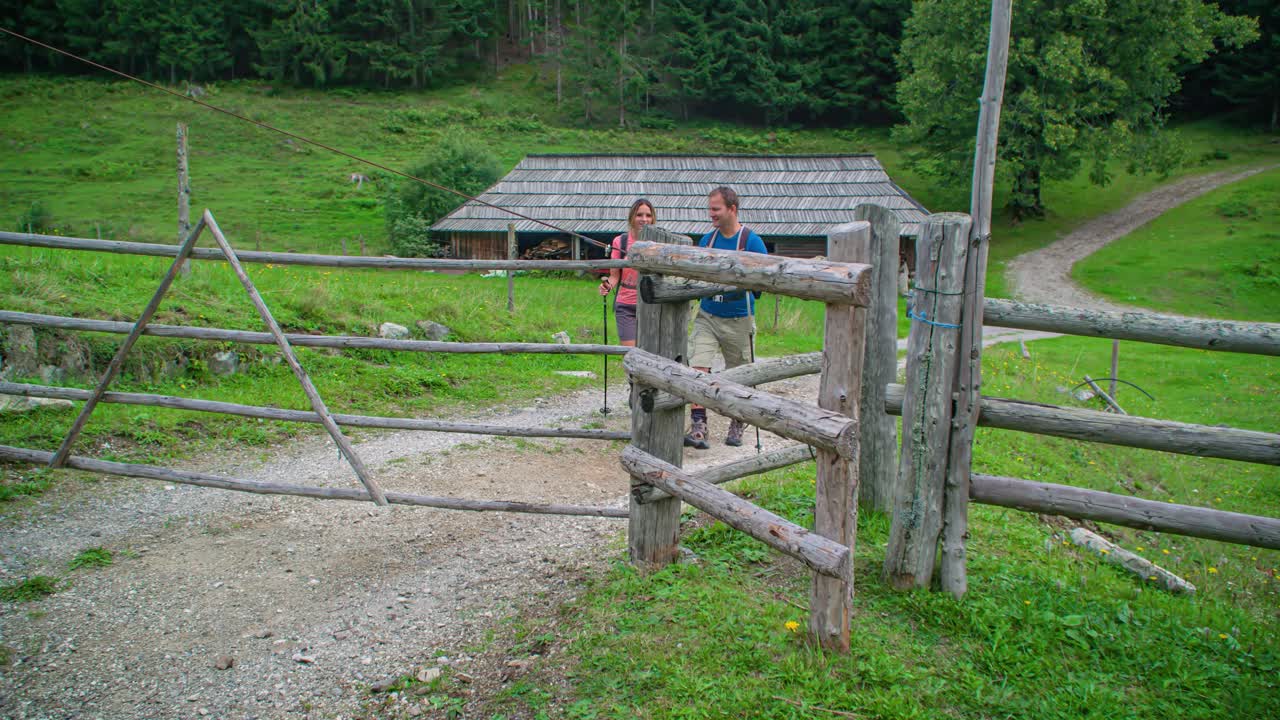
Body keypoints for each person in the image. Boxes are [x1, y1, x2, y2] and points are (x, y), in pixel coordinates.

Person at [685, 186, 768, 449]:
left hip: (738, 318)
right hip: (708, 314)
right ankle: (698, 426)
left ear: (732, 209)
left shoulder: (751, 241)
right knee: (698, 366)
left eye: (716, 209)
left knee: (740, 374)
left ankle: (737, 421)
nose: (711, 214)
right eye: (710, 209)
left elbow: (763, 281)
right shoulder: (707, 241)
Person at [598, 199, 655, 347]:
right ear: (632, 217)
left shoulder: (658, 242)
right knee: (630, 353)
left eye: (648, 215)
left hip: (651, 305)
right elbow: (614, 276)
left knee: (651, 353)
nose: (644, 219)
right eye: (639, 215)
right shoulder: (620, 241)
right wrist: (607, 286)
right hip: (626, 306)